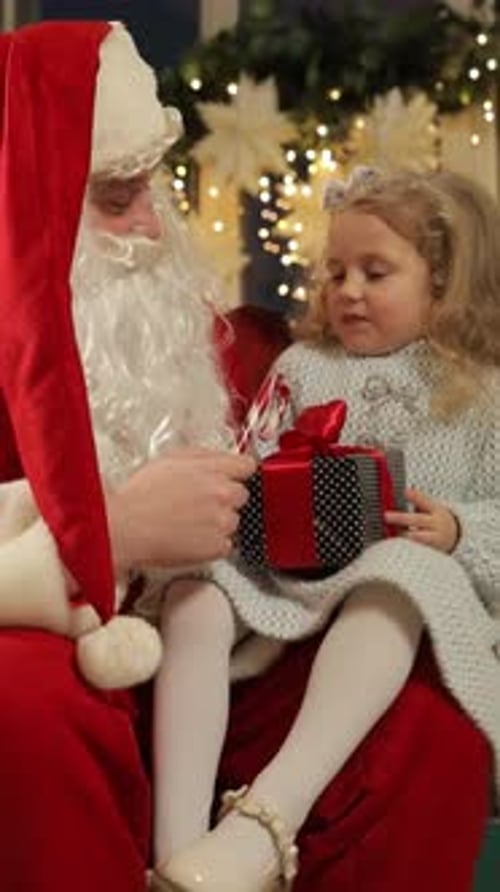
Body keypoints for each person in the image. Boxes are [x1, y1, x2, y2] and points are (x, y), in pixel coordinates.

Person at [152, 167, 500, 892]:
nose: (348, 290)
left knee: (400, 569)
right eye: (336, 271)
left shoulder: (480, 388)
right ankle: (177, 846)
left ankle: (264, 823)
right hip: (289, 576)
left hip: (404, 595)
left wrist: (459, 529)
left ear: (442, 282)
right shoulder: (304, 366)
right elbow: (253, 455)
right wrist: (251, 497)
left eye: (376, 272)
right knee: (197, 592)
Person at [0, 20, 254, 892]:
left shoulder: (187, 324)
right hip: (56, 634)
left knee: (422, 728)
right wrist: (104, 537)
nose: (152, 225)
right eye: (116, 197)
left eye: (156, 187)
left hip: (202, 637)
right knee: (23, 715)